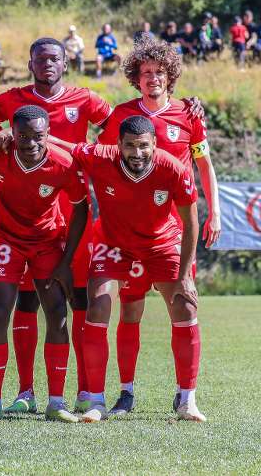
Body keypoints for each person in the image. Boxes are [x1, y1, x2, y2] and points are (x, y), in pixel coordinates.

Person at [95, 38, 220, 416]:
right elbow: (100, 161)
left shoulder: (189, 114)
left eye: (160, 72)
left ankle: (186, 397)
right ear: (136, 78)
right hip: (130, 235)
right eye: (146, 73)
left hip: (172, 235)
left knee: (182, 304)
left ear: (171, 76)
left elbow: (204, 166)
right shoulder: (121, 117)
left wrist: (213, 211)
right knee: (130, 310)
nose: (153, 78)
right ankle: (126, 393)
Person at [0, 37, 112, 415]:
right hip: (23, 220)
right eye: (40, 59)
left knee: (75, 302)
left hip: (72, 221)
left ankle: (82, 391)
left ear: (65, 62)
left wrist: (181, 105)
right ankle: (25, 392)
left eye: (54, 58)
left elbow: (122, 127)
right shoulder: (9, 101)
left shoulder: (84, 99)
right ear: (30, 63)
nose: (47, 64)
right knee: (24, 304)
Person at [0, 105, 89, 423]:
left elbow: (82, 207)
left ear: (48, 135)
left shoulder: (63, 163)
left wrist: (66, 261)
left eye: (37, 136)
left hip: (47, 243)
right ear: (11, 134)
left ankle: (56, 403)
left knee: (57, 315)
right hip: (6, 240)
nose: (30, 143)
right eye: (22, 136)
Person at [69, 116, 205, 423]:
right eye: (129, 145)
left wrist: (185, 276)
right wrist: (12, 138)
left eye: (143, 146)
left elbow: (191, 222)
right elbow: (64, 145)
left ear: (154, 145)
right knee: (99, 305)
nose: (137, 152)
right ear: (118, 146)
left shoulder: (174, 169)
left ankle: (187, 400)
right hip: (114, 243)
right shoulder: (100, 156)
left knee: (184, 306)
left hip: (161, 242)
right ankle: (96, 401)